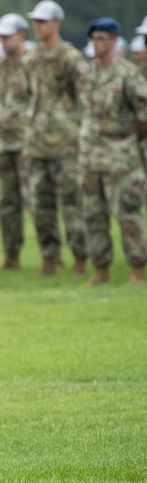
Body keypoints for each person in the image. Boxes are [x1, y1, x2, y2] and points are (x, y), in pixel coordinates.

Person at [78, 18, 147, 285]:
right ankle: (100, 270)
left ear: (115, 41)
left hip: (121, 159)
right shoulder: (88, 75)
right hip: (90, 159)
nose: (96, 44)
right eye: (93, 38)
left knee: (127, 214)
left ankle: (137, 269)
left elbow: (144, 118)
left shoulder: (128, 75)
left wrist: (126, 141)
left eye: (102, 39)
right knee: (93, 216)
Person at [25, 0, 89, 277]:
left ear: (57, 24)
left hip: (66, 142)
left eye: (43, 21)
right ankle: (50, 256)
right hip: (38, 143)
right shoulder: (32, 59)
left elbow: (84, 99)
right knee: (41, 205)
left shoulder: (70, 58)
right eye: (35, 21)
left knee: (73, 203)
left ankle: (80, 257)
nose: (37, 26)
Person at [0, 13, 32, 271]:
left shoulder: (32, 63)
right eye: (1, 37)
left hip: (28, 143)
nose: (3, 41)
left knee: (36, 202)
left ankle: (52, 255)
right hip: (4, 144)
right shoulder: (0, 68)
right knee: (6, 203)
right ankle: (11, 254)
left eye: (7, 36)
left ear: (21, 36)